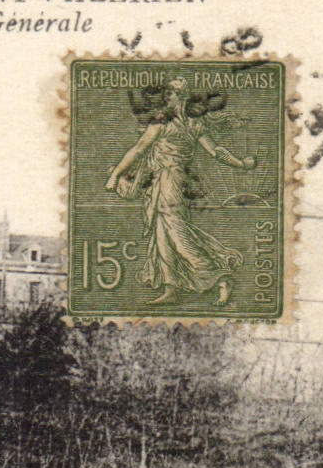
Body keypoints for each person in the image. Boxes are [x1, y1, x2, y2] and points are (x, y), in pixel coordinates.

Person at [105, 77, 258, 306]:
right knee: (162, 234)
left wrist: (115, 175)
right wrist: (241, 164)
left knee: (177, 234)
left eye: (171, 94)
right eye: (165, 94)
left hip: (171, 181)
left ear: (182, 96)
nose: (166, 98)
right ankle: (171, 288)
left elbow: (214, 151)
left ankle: (220, 277)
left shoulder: (171, 124)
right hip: (162, 181)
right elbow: (139, 150)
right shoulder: (187, 124)